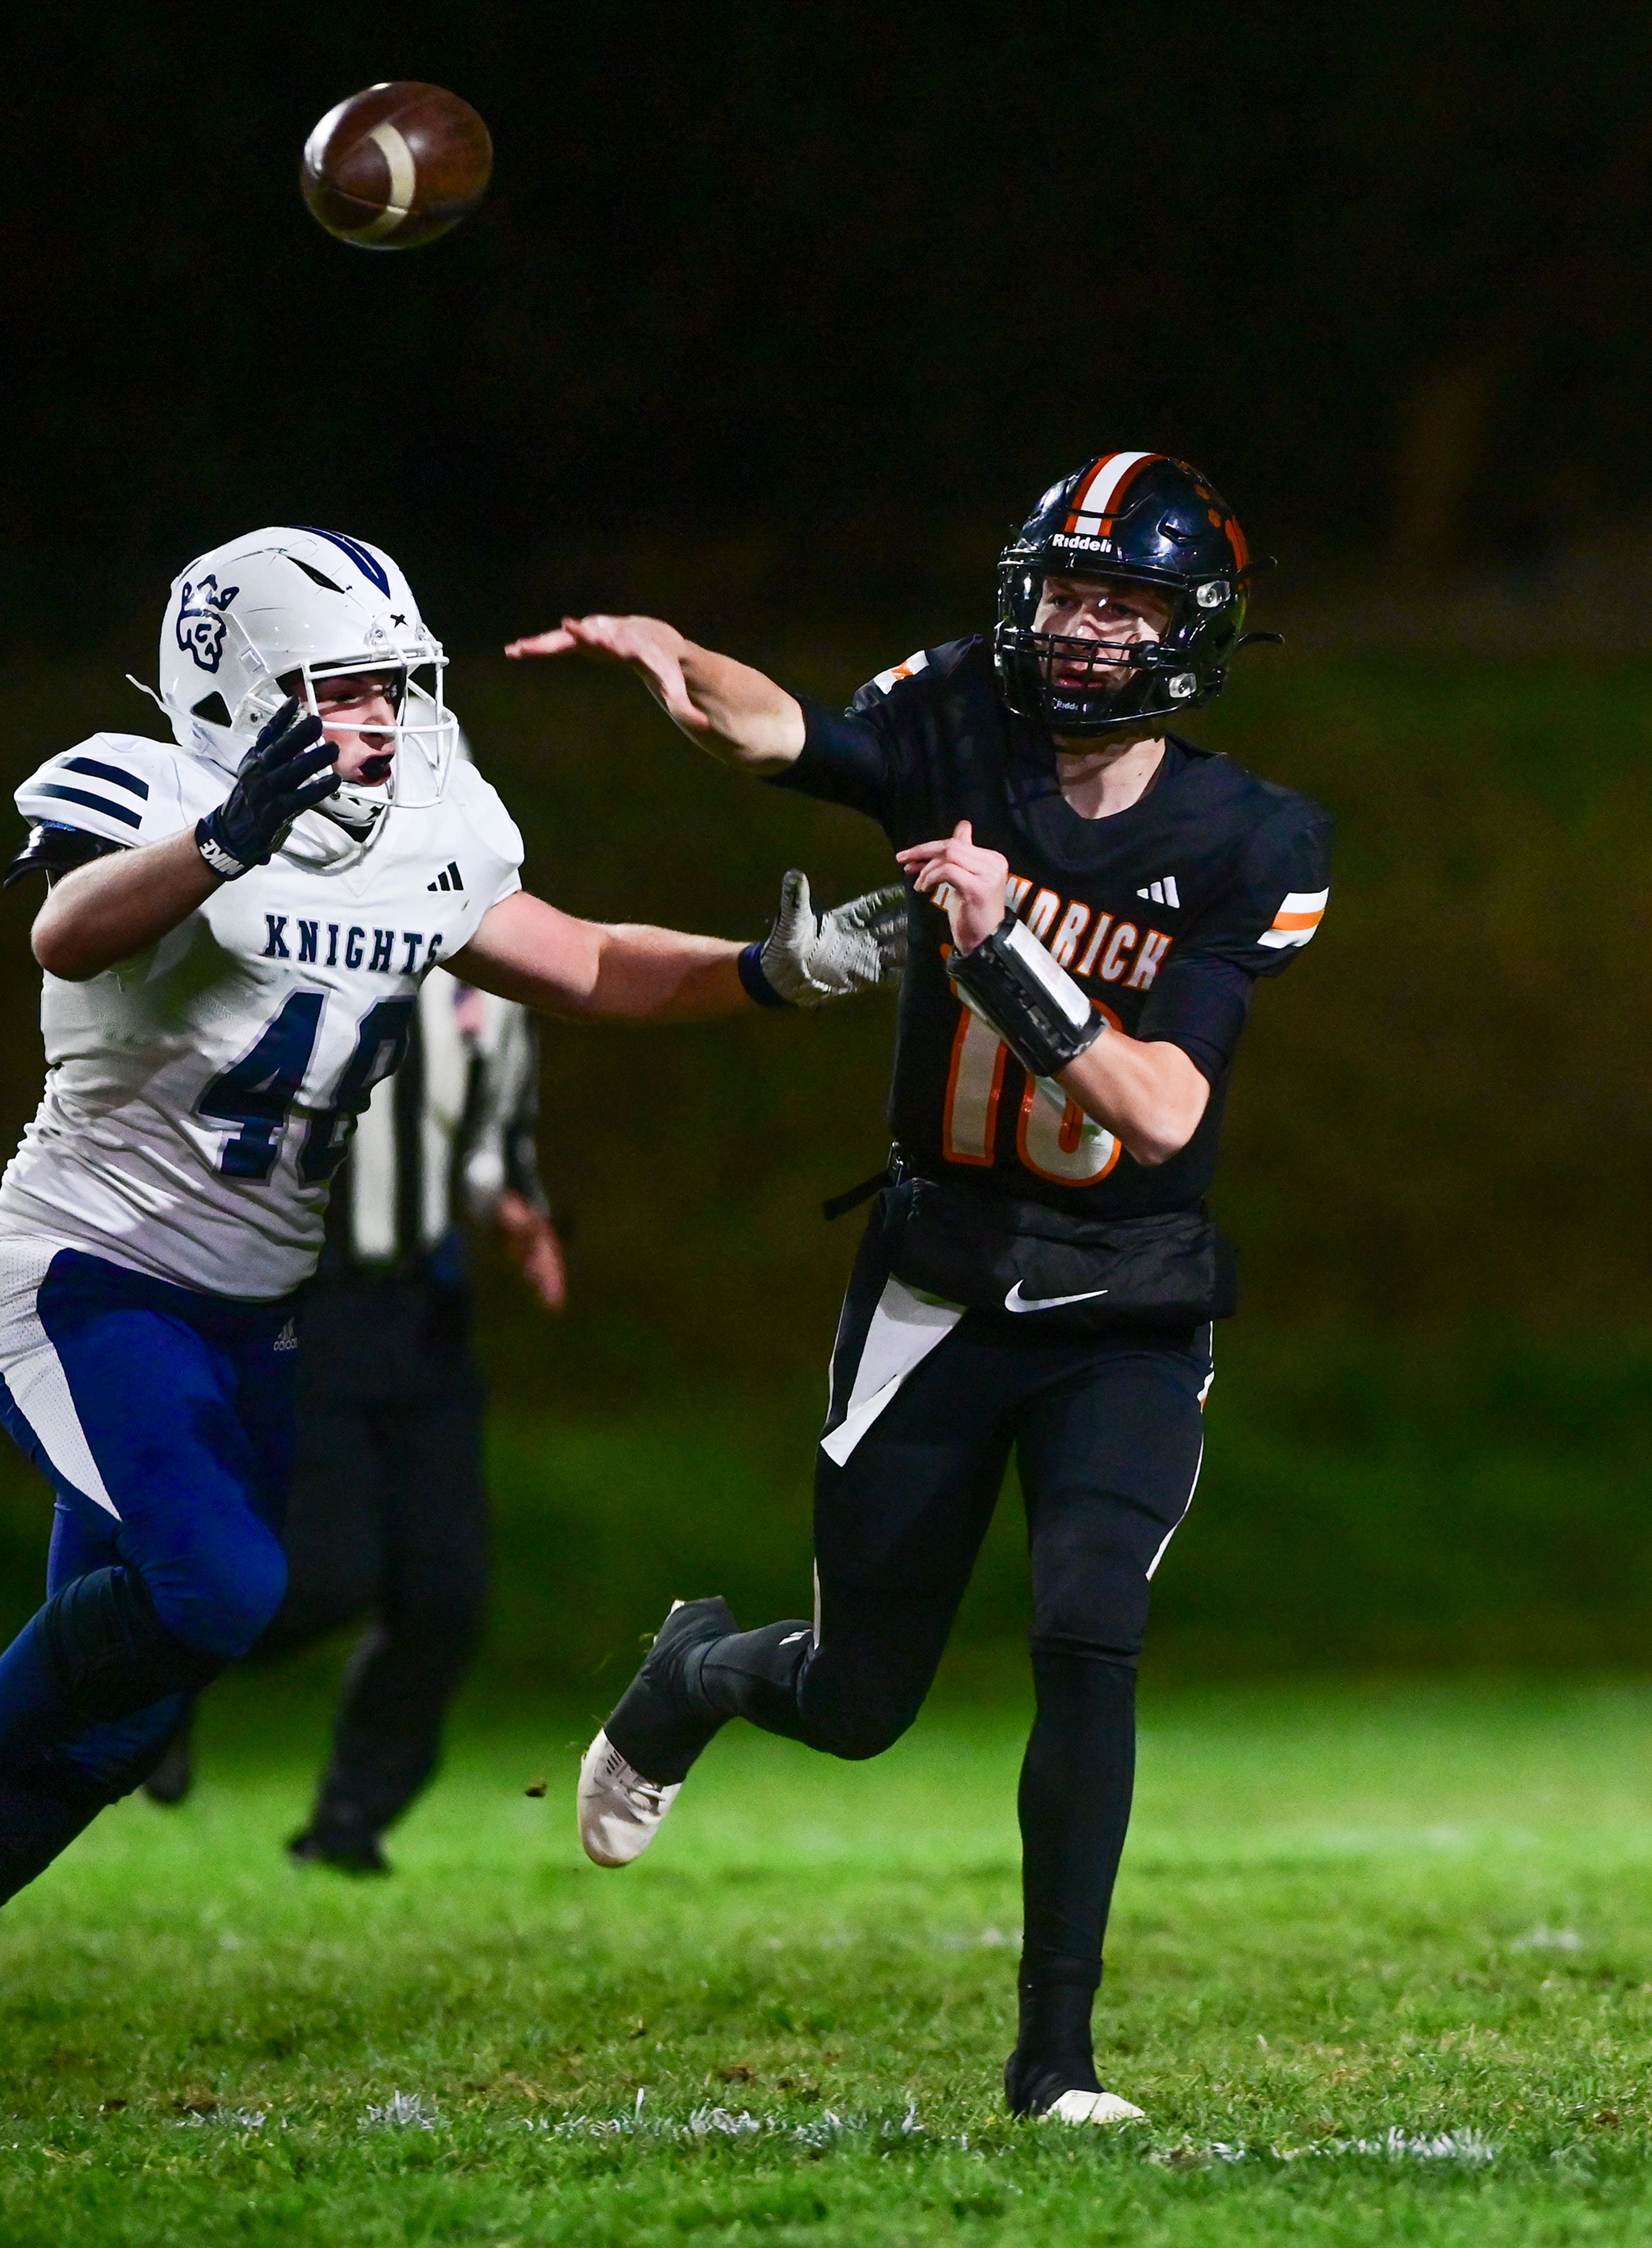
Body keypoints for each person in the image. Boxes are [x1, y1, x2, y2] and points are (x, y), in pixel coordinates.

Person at [509, 453, 1332, 2123]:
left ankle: (1058, 2064)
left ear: (1193, 629)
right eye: (1066, 587)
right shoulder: (959, 716)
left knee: (1090, 1627)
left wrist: (1011, 946)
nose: (1084, 626)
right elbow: (780, 732)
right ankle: (702, 1673)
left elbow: (1165, 1110)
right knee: (861, 1699)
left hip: (1129, 1286)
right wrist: (689, 667)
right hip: (944, 1271)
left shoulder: (1259, 838)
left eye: (1125, 599)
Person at [0, 525, 900, 1907]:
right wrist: (219, 844)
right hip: (93, 1274)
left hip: (258, 1311)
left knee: (122, 1709)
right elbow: (67, 932)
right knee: (223, 1592)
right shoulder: (154, 794)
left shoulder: (434, 823)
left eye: (395, 683)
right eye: (342, 687)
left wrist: (770, 970)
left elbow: (591, 962)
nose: (386, 717)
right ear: (235, 685)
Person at [142, 965, 569, 1877]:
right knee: (327, 1571)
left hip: (422, 1312)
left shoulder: (498, 974)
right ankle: (155, 1670)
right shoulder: (302, 942)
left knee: (446, 1595)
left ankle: (349, 1820)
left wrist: (516, 1208)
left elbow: (493, 1140)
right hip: (305, 1300)